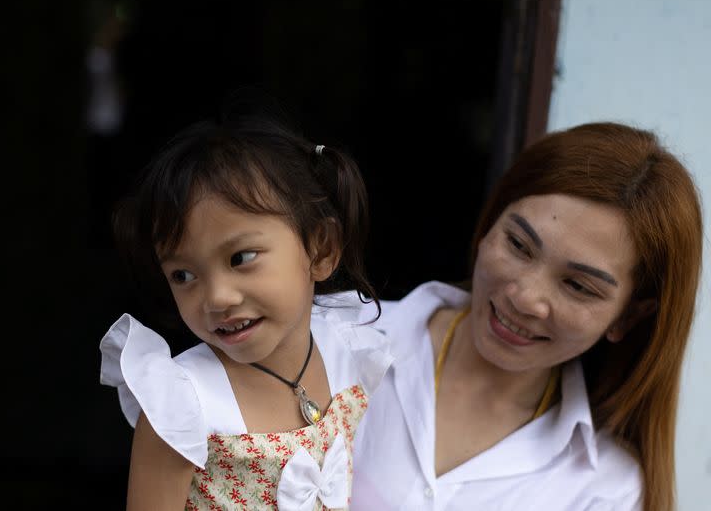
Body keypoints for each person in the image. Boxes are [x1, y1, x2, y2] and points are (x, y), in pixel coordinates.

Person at [350, 122, 703, 511]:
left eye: (579, 286)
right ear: (490, 223)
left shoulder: (607, 488)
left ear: (628, 318)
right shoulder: (336, 341)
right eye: (518, 244)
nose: (525, 298)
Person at [99, 100, 391, 511]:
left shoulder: (348, 351)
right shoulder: (183, 404)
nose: (217, 297)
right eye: (183, 275)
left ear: (322, 249)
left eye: (240, 258)